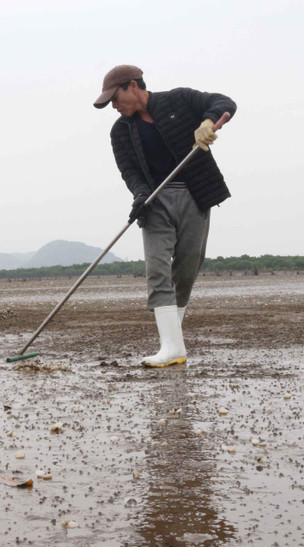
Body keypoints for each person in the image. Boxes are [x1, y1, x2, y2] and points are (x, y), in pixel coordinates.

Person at [94, 64, 236, 367]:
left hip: (195, 194)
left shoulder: (179, 99)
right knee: (157, 269)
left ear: (133, 86)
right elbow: (129, 171)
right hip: (155, 202)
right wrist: (141, 196)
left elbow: (225, 102)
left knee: (187, 267)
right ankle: (172, 348)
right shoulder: (120, 130)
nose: (114, 107)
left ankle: (173, 342)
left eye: (115, 99)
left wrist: (208, 122)